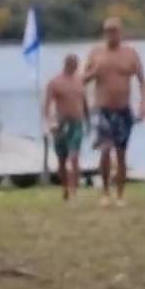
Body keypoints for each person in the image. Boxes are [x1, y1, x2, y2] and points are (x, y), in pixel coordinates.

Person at [82, 17, 145, 205]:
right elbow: (81, 80)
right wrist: (93, 72)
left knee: (121, 153)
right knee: (105, 149)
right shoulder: (96, 53)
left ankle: (120, 194)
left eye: (114, 31)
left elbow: (142, 82)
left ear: (120, 32)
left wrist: (143, 105)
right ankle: (105, 192)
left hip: (123, 109)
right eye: (108, 31)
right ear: (104, 33)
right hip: (102, 109)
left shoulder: (130, 54)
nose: (111, 34)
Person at [43, 53, 87, 200]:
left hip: (77, 123)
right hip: (61, 124)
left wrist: (88, 121)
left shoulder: (79, 81)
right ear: (66, 64)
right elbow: (47, 106)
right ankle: (65, 188)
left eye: (76, 64)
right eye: (72, 64)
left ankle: (74, 190)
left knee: (74, 157)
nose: (75, 67)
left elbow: (84, 102)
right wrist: (51, 123)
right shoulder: (55, 82)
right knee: (62, 159)